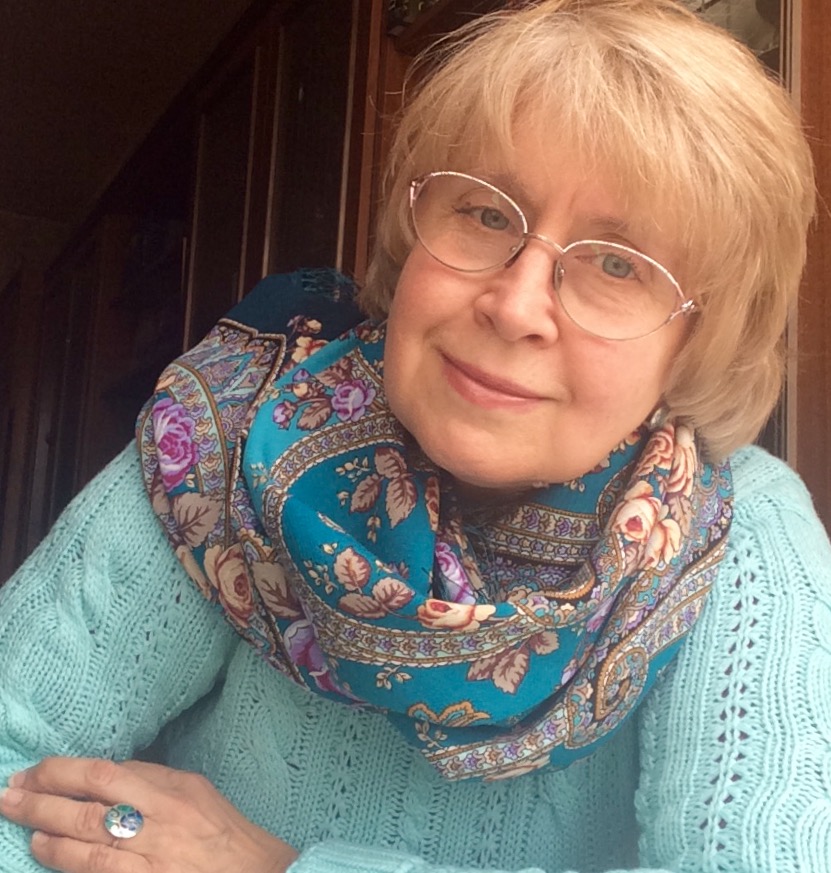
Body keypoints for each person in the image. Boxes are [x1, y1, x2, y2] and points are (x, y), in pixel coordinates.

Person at [1, 0, 829, 871]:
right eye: (485, 213)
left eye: (617, 265)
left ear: (699, 340)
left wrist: (281, 868)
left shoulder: (739, 532)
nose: (514, 305)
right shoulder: (238, 430)